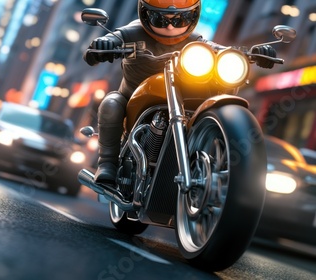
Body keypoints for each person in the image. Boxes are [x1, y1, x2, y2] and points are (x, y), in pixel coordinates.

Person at [84, 0, 277, 184]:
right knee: (111, 103)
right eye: (160, 19)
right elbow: (103, 43)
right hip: (133, 97)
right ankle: (107, 163)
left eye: (179, 20)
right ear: (145, 14)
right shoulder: (131, 33)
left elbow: (221, 49)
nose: (170, 27)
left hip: (178, 98)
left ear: (192, 17)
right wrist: (101, 46)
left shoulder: (196, 42)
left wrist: (253, 54)